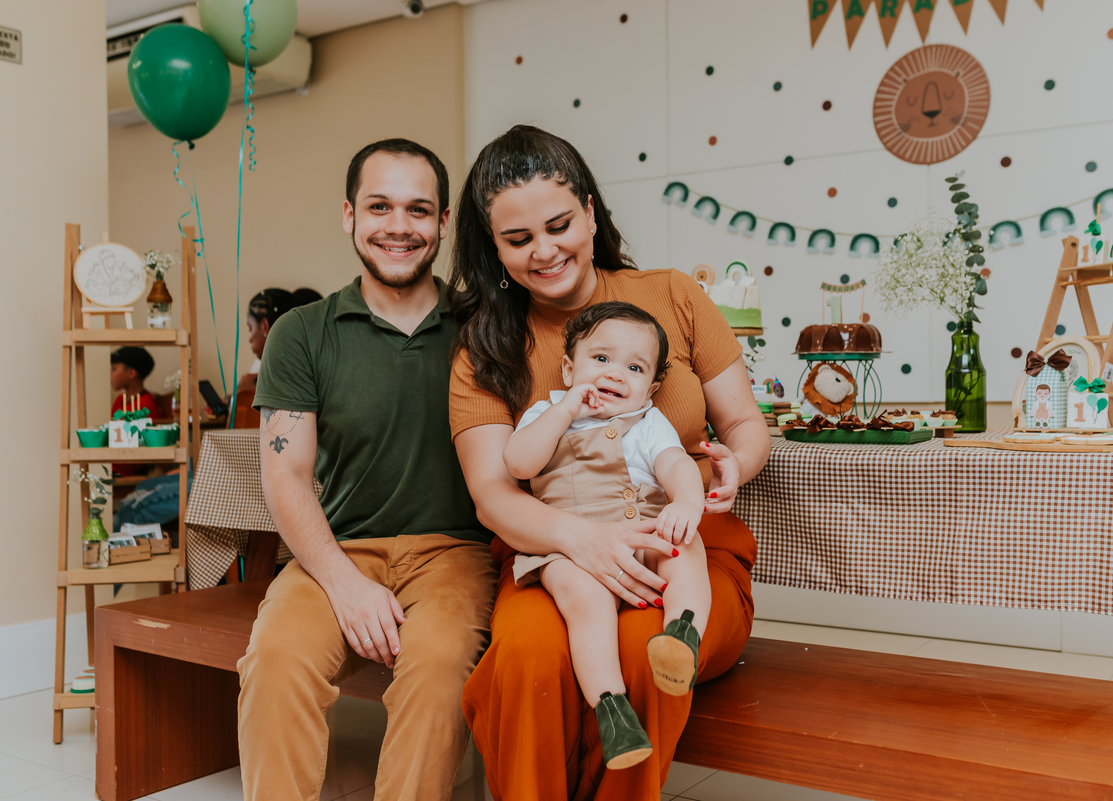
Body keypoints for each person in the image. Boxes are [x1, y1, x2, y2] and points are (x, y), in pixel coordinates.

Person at [448, 125, 770, 799]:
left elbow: (742, 422)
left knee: (643, 653)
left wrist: (735, 462)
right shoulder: (487, 350)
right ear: (493, 246)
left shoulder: (675, 295)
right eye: (517, 239)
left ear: (591, 212)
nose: (544, 250)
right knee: (529, 657)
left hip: (683, 546)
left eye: (559, 224)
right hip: (554, 554)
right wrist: (586, 541)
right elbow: (493, 493)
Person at [238, 138, 496, 801]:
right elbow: (286, 477)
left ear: (443, 224)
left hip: (456, 555)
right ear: (349, 215)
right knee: (275, 658)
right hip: (336, 549)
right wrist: (348, 586)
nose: (399, 226)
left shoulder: (485, 325)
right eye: (380, 206)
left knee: (437, 666)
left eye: (419, 209)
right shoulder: (301, 332)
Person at [503, 301, 711, 770]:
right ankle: (613, 712)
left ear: (651, 388)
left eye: (634, 367)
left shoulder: (648, 421)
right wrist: (568, 408)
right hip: (570, 546)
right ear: (568, 367)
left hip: (643, 529)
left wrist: (684, 503)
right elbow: (519, 463)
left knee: (685, 550)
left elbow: (676, 464)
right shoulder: (546, 411)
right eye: (601, 359)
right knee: (584, 599)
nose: (615, 374)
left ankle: (682, 637)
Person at [234, 288, 324, 428]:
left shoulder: (259, 375)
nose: (249, 338)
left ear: (264, 325)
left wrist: (241, 394)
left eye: (250, 328)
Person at [110, 346, 163, 477]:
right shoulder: (119, 400)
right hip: (111, 463)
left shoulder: (146, 404)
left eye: (114, 369)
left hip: (124, 470)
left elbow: (146, 448)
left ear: (131, 373)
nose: (110, 373)